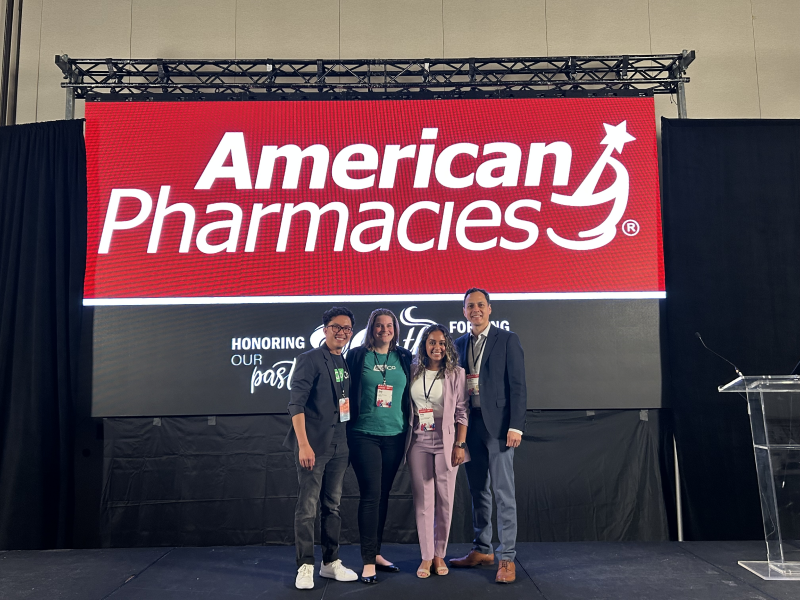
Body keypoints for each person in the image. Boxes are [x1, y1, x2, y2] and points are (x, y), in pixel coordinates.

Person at [450, 288, 527, 584]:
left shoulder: (507, 339)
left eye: (480, 305)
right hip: (470, 426)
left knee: (503, 494)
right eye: (470, 306)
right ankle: (482, 549)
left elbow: (518, 385)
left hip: (500, 427)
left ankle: (506, 557)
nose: (476, 310)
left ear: (490, 309)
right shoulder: (458, 344)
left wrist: (515, 426)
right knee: (478, 490)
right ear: (464, 312)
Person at [284, 307, 359, 590]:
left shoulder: (346, 361)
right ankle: (305, 566)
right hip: (313, 446)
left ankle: (330, 563)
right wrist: (303, 444)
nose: (342, 332)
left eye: (347, 328)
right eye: (336, 327)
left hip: (341, 442)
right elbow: (296, 404)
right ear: (325, 329)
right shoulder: (309, 359)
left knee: (333, 506)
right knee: (307, 508)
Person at [345, 308, 412, 583]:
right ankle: (368, 560)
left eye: (389, 326)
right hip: (364, 434)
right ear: (371, 328)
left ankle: (377, 553)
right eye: (378, 326)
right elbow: (345, 392)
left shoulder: (405, 357)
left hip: (395, 435)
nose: (384, 330)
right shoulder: (357, 355)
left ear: (395, 329)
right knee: (371, 494)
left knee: (384, 495)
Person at [406, 324, 470, 578]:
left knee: (444, 500)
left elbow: (463, 412)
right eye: (432, 342)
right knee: (423, 502)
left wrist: (460, 445)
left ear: (448, 347)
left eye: (442, 343)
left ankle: (439, 554)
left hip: (447, 442)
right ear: (424, 345)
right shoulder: (412, 370)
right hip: (418, 440)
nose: (437, 347)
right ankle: (425, 557)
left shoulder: (457, 374)